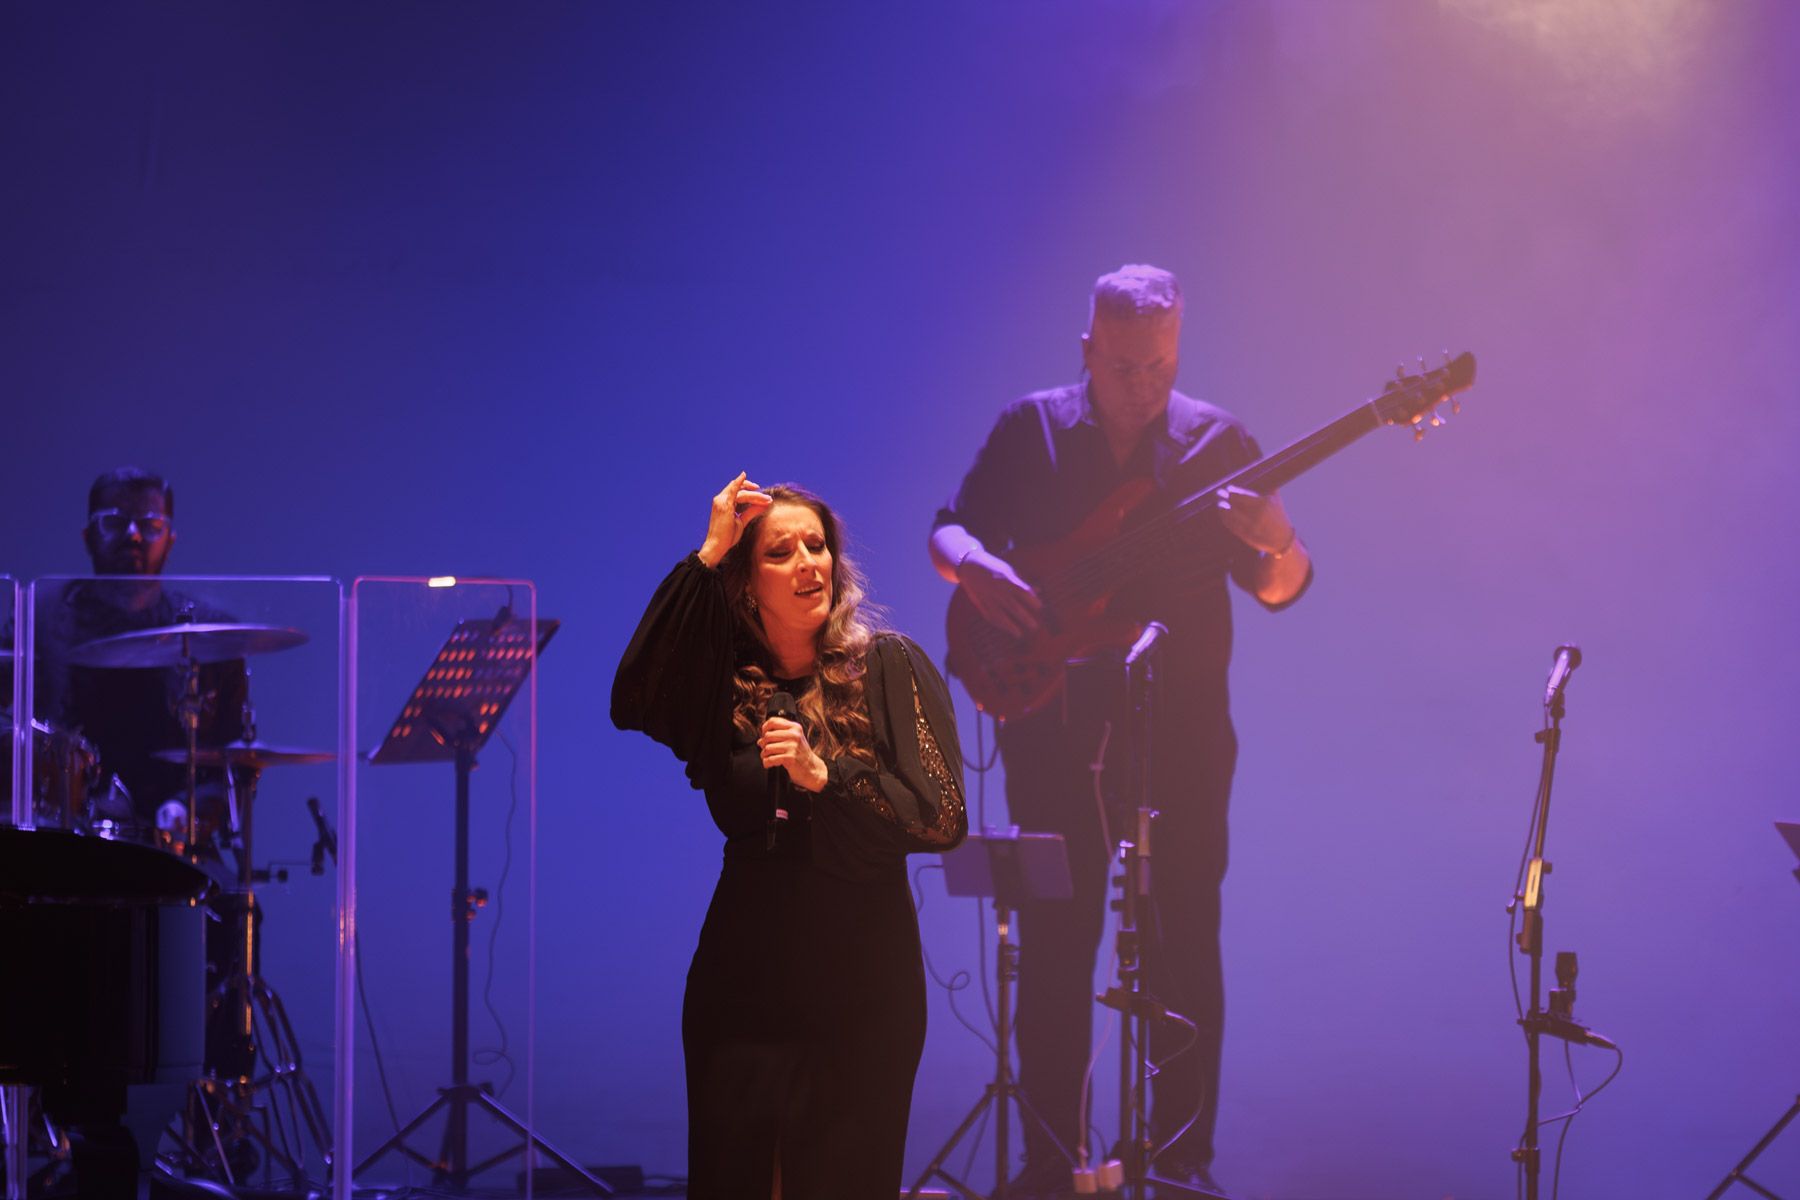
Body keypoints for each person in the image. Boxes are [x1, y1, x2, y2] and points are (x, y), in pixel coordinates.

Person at [928, 265, 1313, 1196]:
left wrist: (1278, 537)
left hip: (1180, 734)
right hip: (1051, 724)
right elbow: (949, 530)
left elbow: (1279, 589)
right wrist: (978, 568)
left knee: (1186, 940)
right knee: (1056, 942)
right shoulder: (1032, 429)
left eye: (1162, 365)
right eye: (1126, 366)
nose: (1145, 385)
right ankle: (1050, 1162)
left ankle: (1181, 1163)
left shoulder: (1220, 444)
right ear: (1088, 350)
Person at [612, 475, 968, 1199]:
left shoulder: (887, 665)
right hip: (741, 986)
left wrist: (824, 776)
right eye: (782, 552)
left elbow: (942, 818)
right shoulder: (725, 693)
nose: (811, 563)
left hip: (861, 988)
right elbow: (634, 697)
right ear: (746, 584)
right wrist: (708, 554)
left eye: (818, 546)